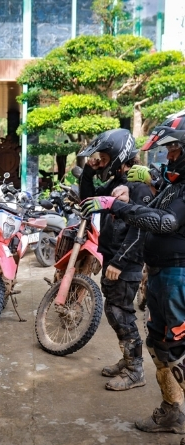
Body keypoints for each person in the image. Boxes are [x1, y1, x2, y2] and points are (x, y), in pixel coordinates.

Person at [88, 114, 185, 435]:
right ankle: (171, 411)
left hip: (177, 275)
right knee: (159, 345)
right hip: (159, 273)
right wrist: (145, 188)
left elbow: (165, 222)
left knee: (176, 348)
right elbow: (152, 211)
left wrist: (118, 206)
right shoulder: (172, 186)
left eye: (174, 150)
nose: (169, 155)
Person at [78, 129, 145, 390]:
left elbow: (140, 230)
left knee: (121, 314)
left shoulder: (138, 186)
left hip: (125, 263)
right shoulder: (117, 181)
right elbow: (88, 201)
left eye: (104, 159)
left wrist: (119, 262)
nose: (101, 163)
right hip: (112, 257)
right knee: (115, 311)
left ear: (118, 157)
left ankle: (135, 370)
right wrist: (88, 171)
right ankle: (128, 360)